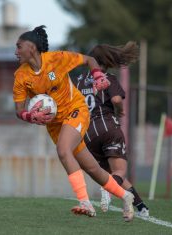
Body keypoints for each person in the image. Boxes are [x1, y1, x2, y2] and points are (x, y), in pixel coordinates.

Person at [12, 25, 135, 222]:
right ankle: (125, 196)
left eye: (19, 47)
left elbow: (89, 59)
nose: (16, 51)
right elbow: (19, 110)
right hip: (54, 124)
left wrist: (97, 75)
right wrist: (29, 116)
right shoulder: (20, 76)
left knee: (63, 150)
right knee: (93, 168)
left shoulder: (56, 59)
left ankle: (85, 203)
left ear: (31, 47)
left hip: (75, 110)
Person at [73, 42, 149, 218]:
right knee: (120, 172)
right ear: (107, 60)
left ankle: (141, 207)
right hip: (107, 127)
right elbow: (115, 99)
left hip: (87, 133)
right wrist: (121, 110)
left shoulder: (77, 81)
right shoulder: (108, 78)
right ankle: (107, 190)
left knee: (112, 174)